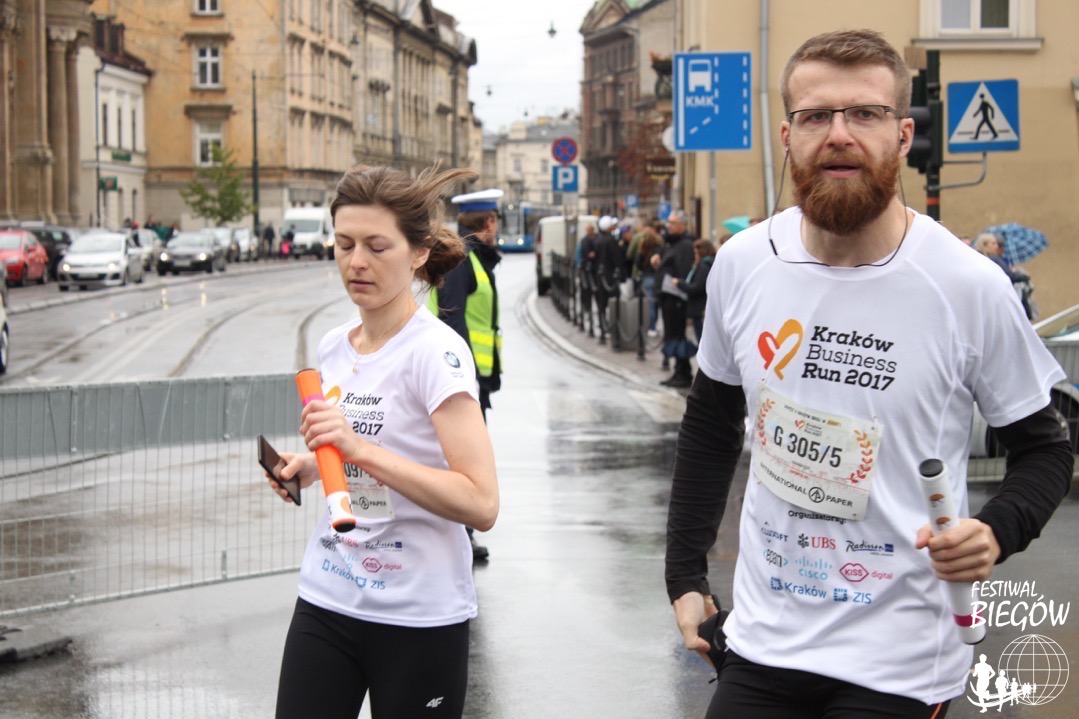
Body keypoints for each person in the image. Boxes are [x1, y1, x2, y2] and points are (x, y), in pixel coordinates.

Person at [664, 29, 1072, 719]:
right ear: (788, 136)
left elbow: (1046, 448)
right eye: (816, 116)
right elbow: (709, 425)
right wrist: (683, 575)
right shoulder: (741, 263)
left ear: (903, 135)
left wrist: (996, 530)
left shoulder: (967, 284)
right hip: (764, 640)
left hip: (899, 660)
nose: (839, 134)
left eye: (865, 113)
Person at [267, 164, 498, 719]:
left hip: (417, 613)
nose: (356, 262)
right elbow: (359, 454)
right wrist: (312, 465)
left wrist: (359, 450)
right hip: (329, 594)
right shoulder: (333, 346)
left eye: (376, 246)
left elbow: (481, 502)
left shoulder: (436, 353)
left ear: (418, 253)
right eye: (344, 244)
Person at [427, 187, 504, 562]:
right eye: (496, 221)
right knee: (464, 462)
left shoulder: (474, 259)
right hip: (463, 381)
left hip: (474, 377)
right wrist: (461, 379)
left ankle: (460, 535)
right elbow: (452, 320)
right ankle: (461, 537)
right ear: (488, 223)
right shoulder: (462, 262)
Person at [651, 210, 696, 386]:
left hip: (676, 298)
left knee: (677, 334)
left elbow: (681, 271)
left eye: (672, 223)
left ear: (682, 225)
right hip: (668, 296)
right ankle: (679, 371)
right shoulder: (671, 244)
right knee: (672, 334)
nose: (668, 226)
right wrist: (658, 263)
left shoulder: (685, 245)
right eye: (668, 222)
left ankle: (683, 373)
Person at [973, 232, 1034, 320]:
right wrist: (1024, 276)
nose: (996, 246)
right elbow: (1009, 275)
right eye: (993, 243)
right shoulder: (994, 259)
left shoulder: (978, 259)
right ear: (985, 245)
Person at [679, 238, 716, 344]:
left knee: (702, 340)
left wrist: (681, 284)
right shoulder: (710, 263)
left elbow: (698, 286)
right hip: (701, 307)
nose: (694, 255)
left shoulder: (704, 266)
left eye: (696, 252)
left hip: (700, 308)